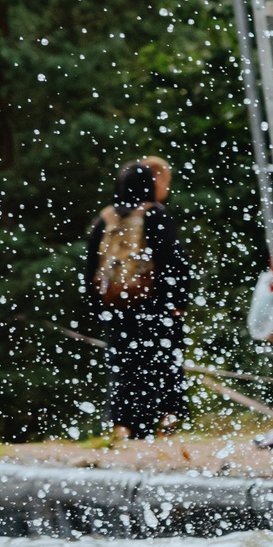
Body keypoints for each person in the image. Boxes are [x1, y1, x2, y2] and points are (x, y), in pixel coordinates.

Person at [84, 158, 190, 440]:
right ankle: (165, 421)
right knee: (162, 362)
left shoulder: (105, 218)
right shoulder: (154, 214)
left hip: (117, 308)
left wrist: (98, 307)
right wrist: (177, 302)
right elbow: (173, 262)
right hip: (153, 306)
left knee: (123, 366)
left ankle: (127, 426)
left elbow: (90, 268)